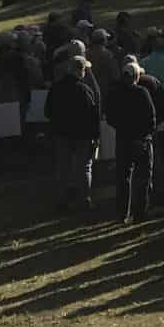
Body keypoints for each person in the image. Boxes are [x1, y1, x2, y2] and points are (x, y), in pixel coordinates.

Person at [104, 59, 157, 223]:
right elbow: (151, 116)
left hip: (123, 138)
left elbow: (110, 116)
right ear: (136, 76)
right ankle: (140, 212)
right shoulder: (142, 92)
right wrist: (147, 133)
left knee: (123, 177)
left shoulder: (115, 93)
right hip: (141, 139)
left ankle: (122, 213)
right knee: (143, 177)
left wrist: (120, 127)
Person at [47, 55, 101, 213]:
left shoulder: (56, 87)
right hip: (82, 135)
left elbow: (48, 111)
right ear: (81, 70)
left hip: (62, 133)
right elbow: (93, 116)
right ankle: (85, 200)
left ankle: (61, 200)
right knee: (84, 167)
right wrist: (95, 136)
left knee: (62, 167)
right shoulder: (85, 90)